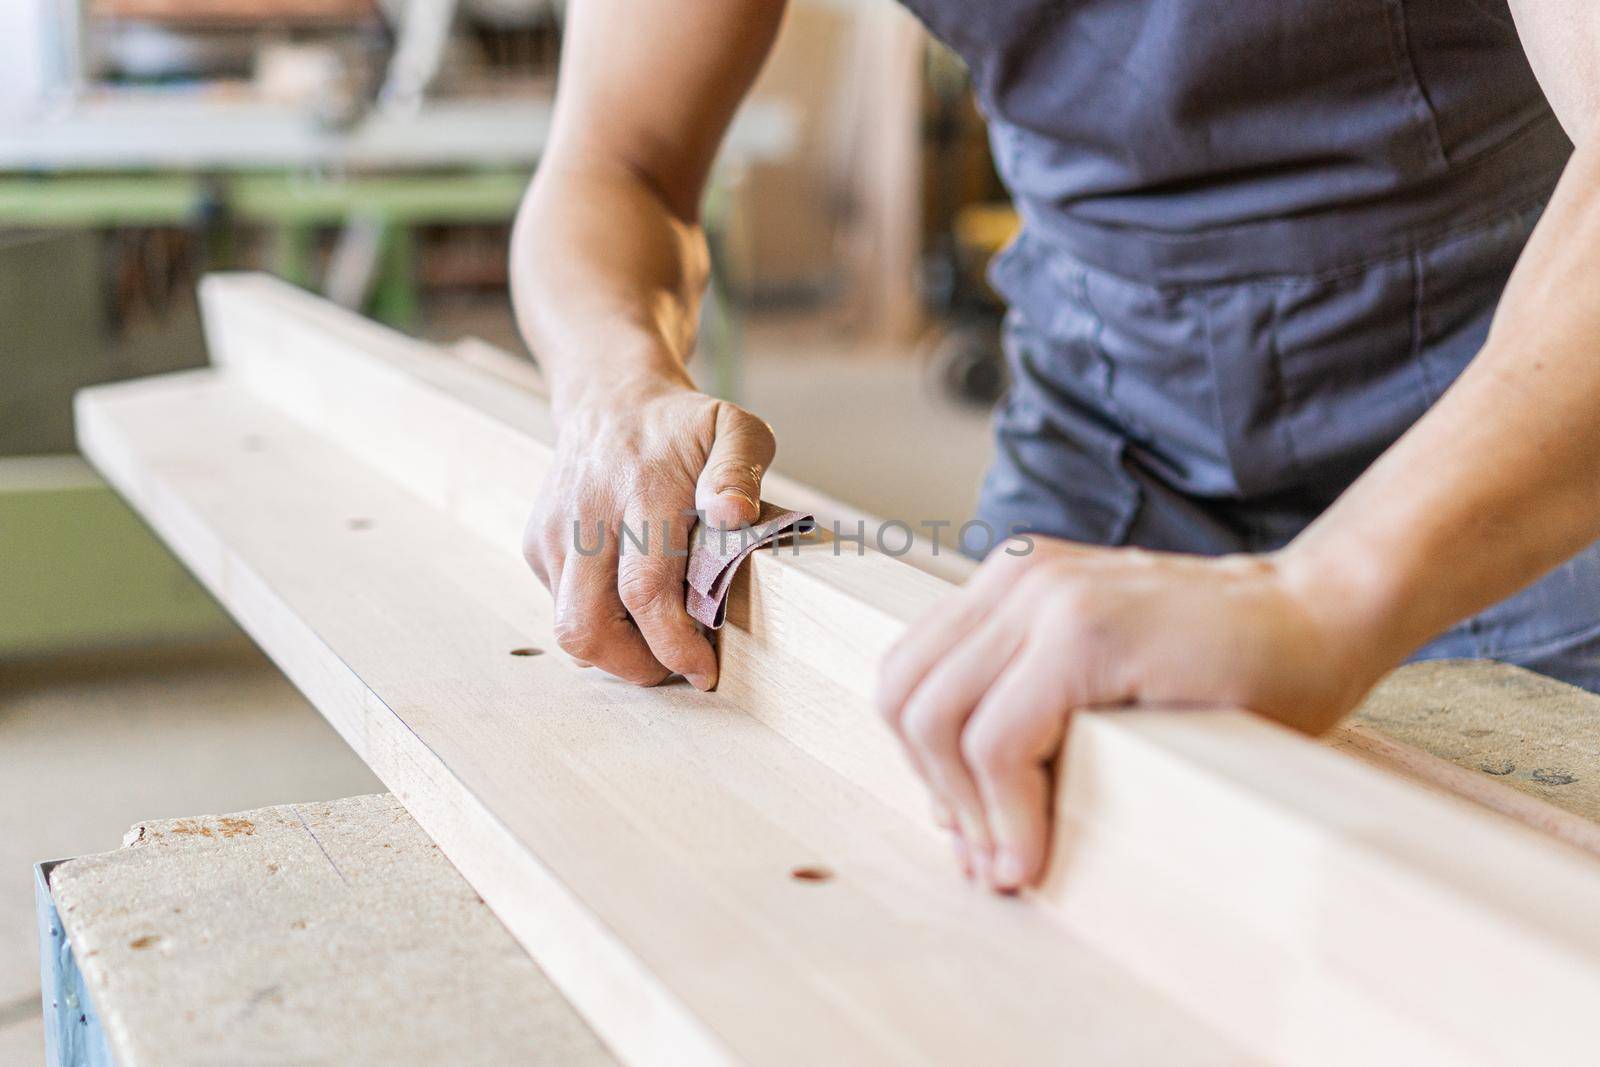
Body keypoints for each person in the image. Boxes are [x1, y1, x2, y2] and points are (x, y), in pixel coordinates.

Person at [510, 0, 1600, 894]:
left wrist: (1325, 592)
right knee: (1011, 864)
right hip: (1106, 412)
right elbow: (615, 164)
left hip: (1521, 397)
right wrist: (614, 382)